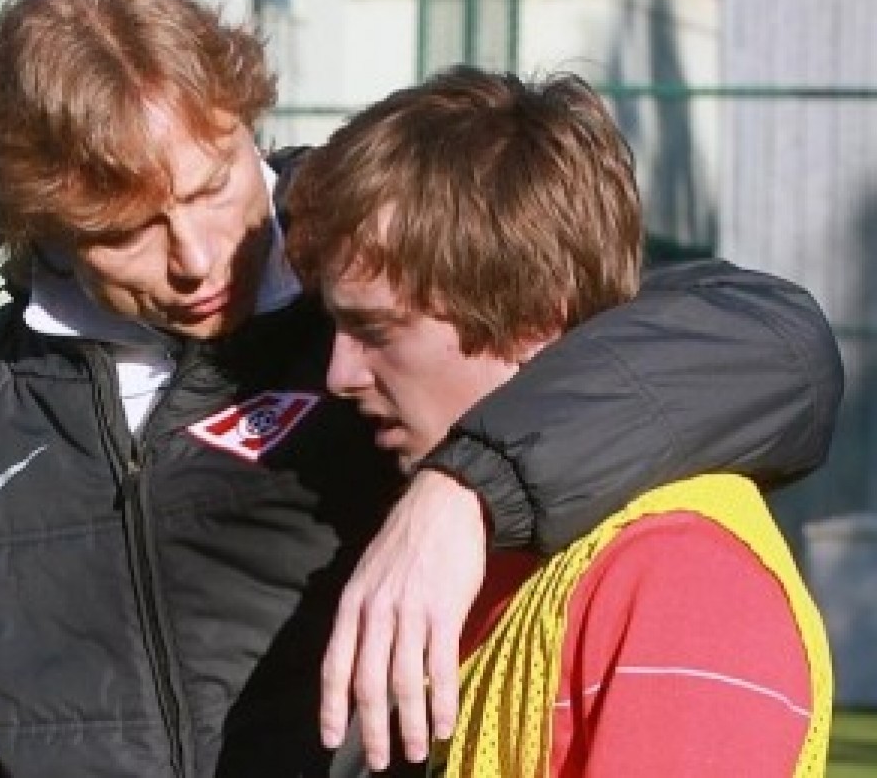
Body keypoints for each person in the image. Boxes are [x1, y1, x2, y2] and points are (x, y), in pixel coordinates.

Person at [0, 0, 842, 776]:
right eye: (125, 228)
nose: (196, 255)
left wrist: (465, 487)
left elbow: (768, 343)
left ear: (243, 122)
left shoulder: (383, 258)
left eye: (211, 184)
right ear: (38, 226)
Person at [285, 64, 834, 776]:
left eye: (378, 329)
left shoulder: (679, 580)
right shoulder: (485, 556)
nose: (339, 375)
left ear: (535, 320)